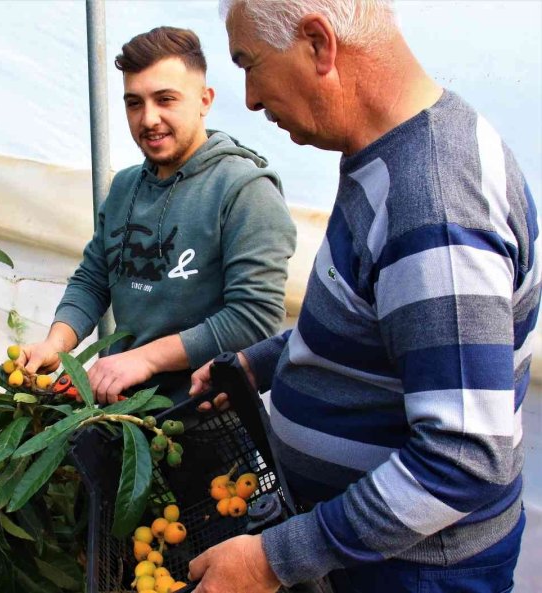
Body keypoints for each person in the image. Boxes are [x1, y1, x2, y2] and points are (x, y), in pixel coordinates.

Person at [188, 1, 538, 592]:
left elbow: (464, 458)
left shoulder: (436, 201)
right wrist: (259, 363)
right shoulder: (386, 156)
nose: (248, 97)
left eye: (249, 64)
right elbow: (373, 323)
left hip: (416, 574)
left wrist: (275, 559)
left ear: (319, 44)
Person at [17, 26, 296, 404]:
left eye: (166, 99)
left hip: (200, 422)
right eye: (135, 103)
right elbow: (94, 277)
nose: (149, 119)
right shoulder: (126, 187)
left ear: (205, 100)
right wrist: (57, 342)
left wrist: (144, 359)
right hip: (118, 409)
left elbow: (254, 319)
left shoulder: (245, 191)